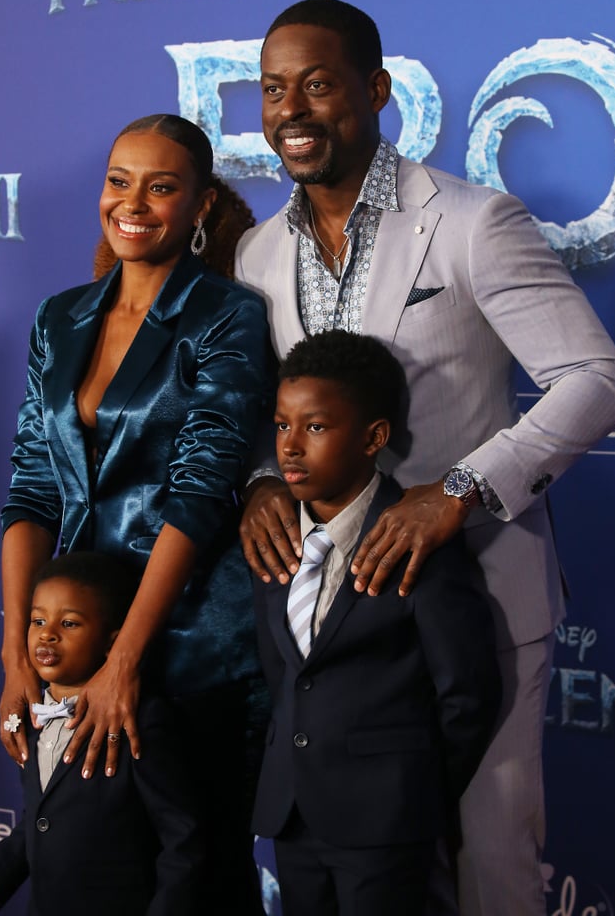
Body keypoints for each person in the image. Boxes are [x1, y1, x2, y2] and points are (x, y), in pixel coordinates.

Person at [234, 0, 615, 916]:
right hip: (338, 632)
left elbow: (594, 377)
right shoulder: (254, 254)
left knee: (486, 867)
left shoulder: (472, 221)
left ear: (375, 91)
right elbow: (276, 410)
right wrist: (258, 478)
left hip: (476, 597)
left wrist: (457, 492)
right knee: (366, 872)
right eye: (272, 89)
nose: (292, 110)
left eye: (319, 84)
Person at [0, 114, 274, 915]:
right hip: (80, 640)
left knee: (200, 872)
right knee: (95, 867)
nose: (134, 202)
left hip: (191, 646)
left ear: (198, 207)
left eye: (161, 187)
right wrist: (20, 652)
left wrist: (125, 663)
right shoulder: (61, 317)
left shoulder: (227, 314)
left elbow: (198, 492)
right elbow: (31, 490)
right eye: (120, 180)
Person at [251, 330, 501, 916]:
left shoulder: (418, 540)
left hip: (388, 825)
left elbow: (467, 692)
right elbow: (281, 677)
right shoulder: (273, 538)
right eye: (282, 425)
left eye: (314, 427)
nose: (289, 447)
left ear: (373, 438)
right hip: (291, 815)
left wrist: (411, 796)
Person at [0, 552, 203, 916]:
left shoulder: (141, 722)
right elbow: (40, 819)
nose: (48, 634)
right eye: (37, 620)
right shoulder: (28, 718)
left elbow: (183, 838)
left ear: (111, 642)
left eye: (70, 623)